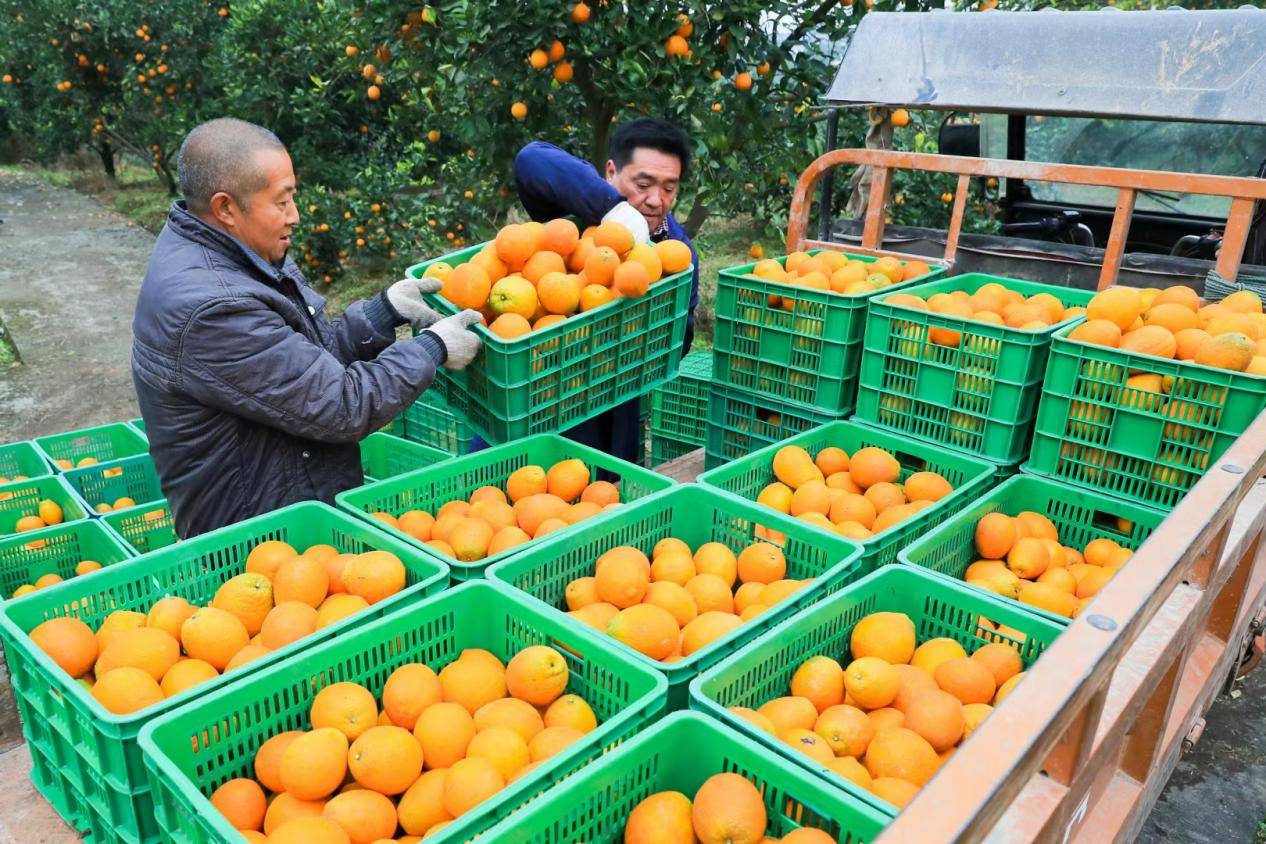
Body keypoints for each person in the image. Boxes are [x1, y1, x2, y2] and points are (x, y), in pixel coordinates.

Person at [132, 118, 483, 539]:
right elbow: (340, 405)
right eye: (282, 203)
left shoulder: (239, 253)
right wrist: (432, 348)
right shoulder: (213, 307)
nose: (295, 216)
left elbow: (303, 360)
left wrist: (381, 313)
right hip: (258, 543)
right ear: (225, 208)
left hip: (288, 504)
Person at [501, 117, 701, 465]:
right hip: (534, 388)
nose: (656, 200)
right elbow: (531, 158)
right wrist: (614, 210)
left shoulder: (676, 255)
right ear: (611, 172)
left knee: (598, 495)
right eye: (643, 183)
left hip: (610, 405)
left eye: (669, 188)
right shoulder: (576, 210)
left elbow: (678, 340)